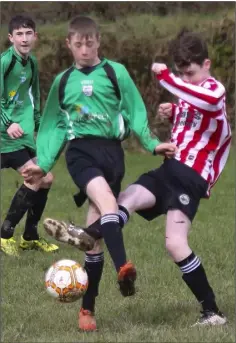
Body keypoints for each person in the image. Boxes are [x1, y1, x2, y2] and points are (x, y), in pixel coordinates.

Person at [43, 30, 231, 326]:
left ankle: (212, 312)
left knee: (175, 244)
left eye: (191, 73)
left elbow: (206, 100)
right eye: (183, 74)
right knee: (123, 202)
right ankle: (88, 234)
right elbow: (192, 113)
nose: (187, 79)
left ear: (207, 64)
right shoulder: (189, 91)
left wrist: (169, 79)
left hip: (191, 179)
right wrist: (171, 112)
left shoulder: (214, 90)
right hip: (167, 170)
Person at [22, 16, 177, 331]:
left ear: (98, 42)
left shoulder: (115, 72)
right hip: (81, 153)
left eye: (89, 42)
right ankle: (124, 267)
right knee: (108, 203)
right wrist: (45, 163)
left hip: (113, 154)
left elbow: (134, 110)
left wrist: (151, 143)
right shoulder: (63, 81)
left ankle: (87, 312)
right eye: (78, 44)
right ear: (69, 44)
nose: (84, 49)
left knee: (94, 242)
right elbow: (53, 125)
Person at [1, 15, 59, 256]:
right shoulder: (5, 62)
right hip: (6, 134)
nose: (24, 39)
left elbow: (34, 99)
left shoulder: (32, 63)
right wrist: (8, 123)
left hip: (24, 133)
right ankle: (5, 236)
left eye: (28, 34)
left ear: (35, 36)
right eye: (19, 34)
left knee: (46, 178)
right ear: (11, 38)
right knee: (35, 178)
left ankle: (29, 237)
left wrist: (39, 127)